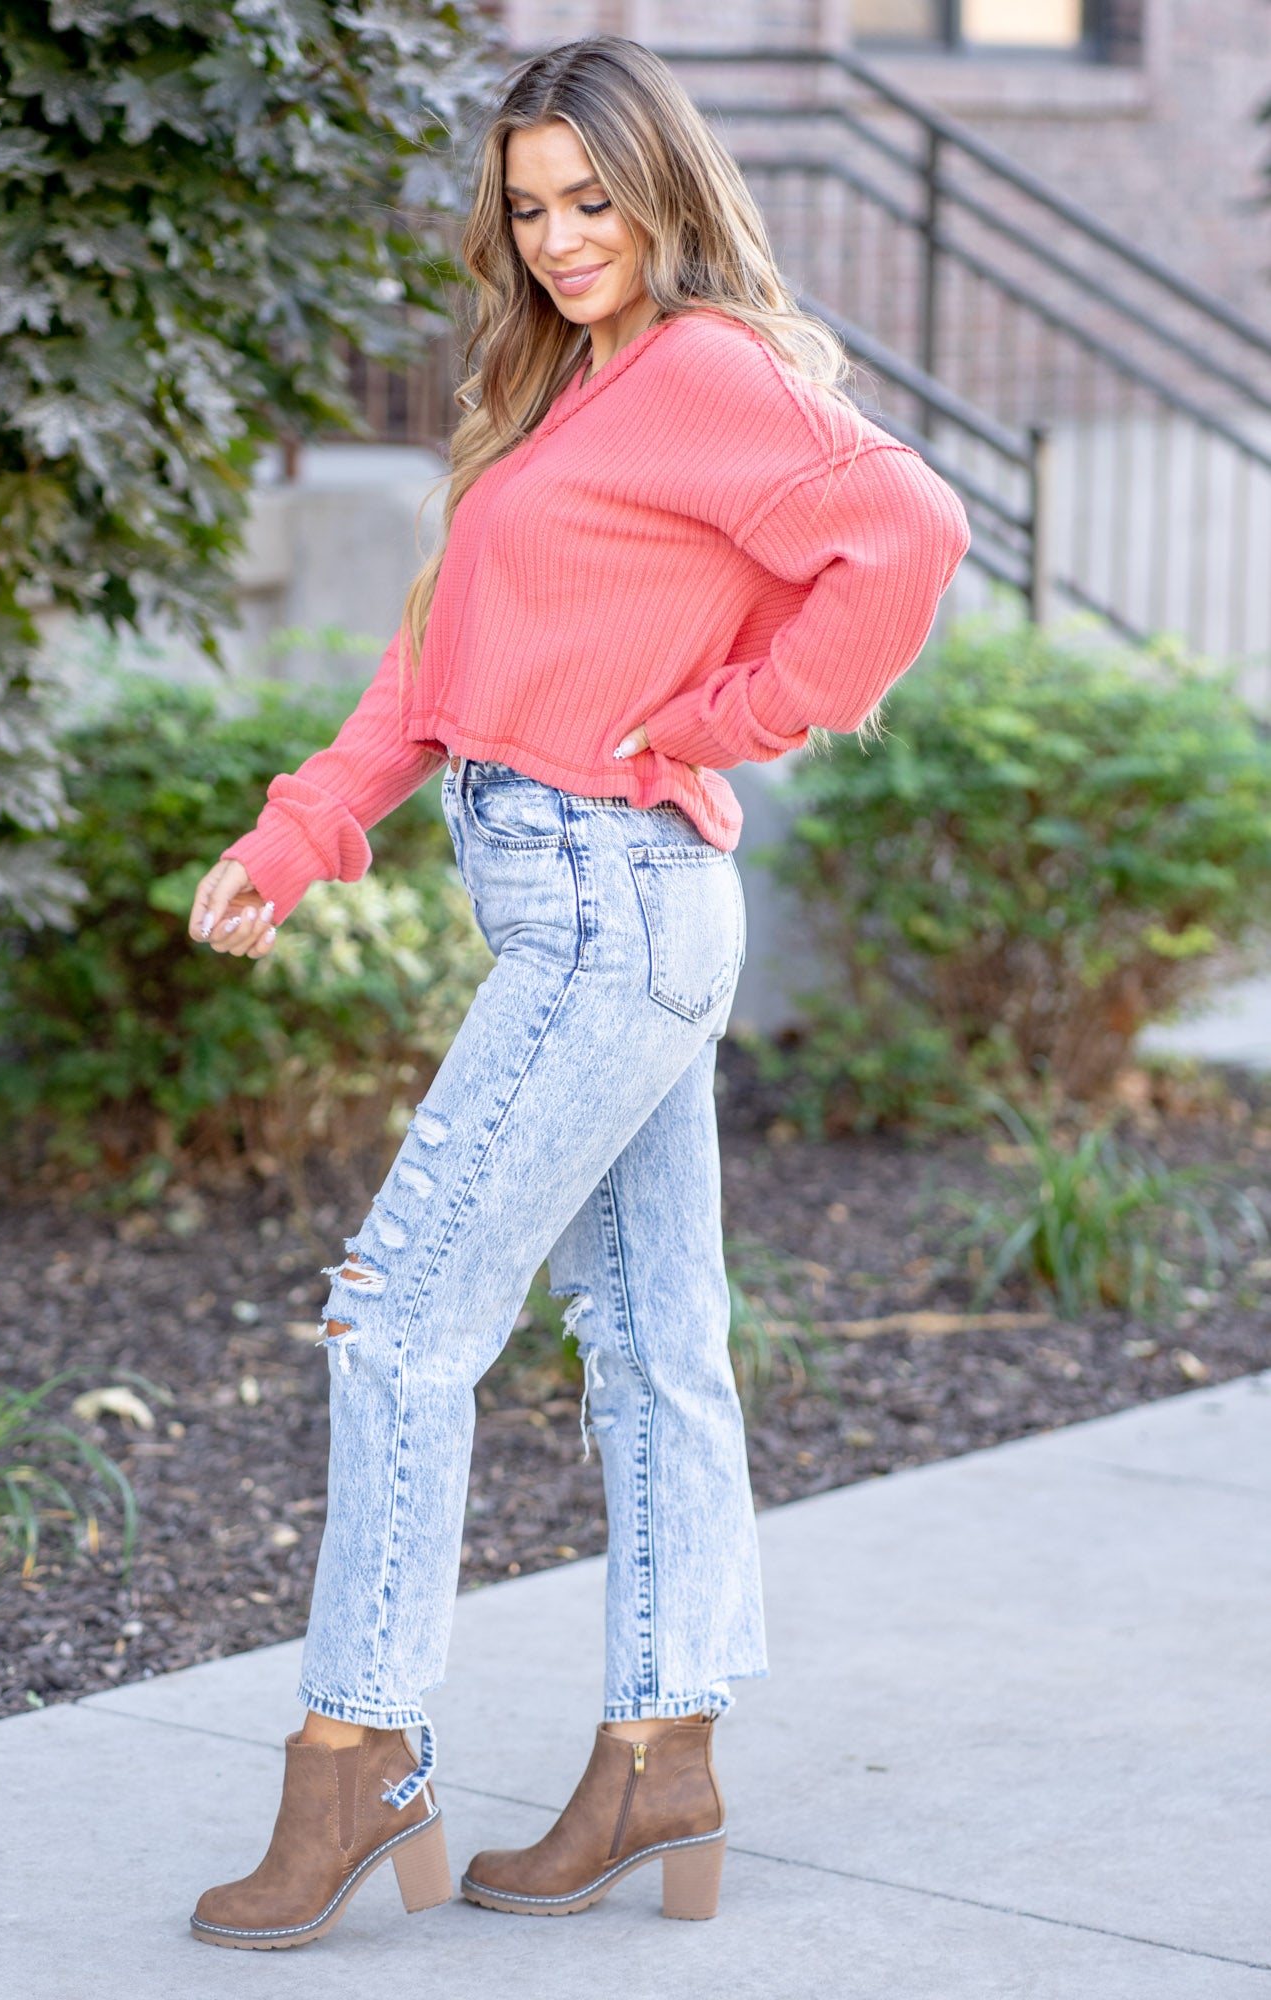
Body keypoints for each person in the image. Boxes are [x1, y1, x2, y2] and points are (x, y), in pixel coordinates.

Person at [184, 35, 969, 1950]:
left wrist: (723, 719)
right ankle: (657, 1757)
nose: (556, 238)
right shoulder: (560, 391)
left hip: (610, 905)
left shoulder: (703, 369)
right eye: (529, 208)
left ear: (665, 191)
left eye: (591, 200)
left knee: (397, 1317)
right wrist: (302, 831)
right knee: (652, 1340)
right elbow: (435, 665)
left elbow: (907, 534)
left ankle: (355, 1750)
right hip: (597, 903)